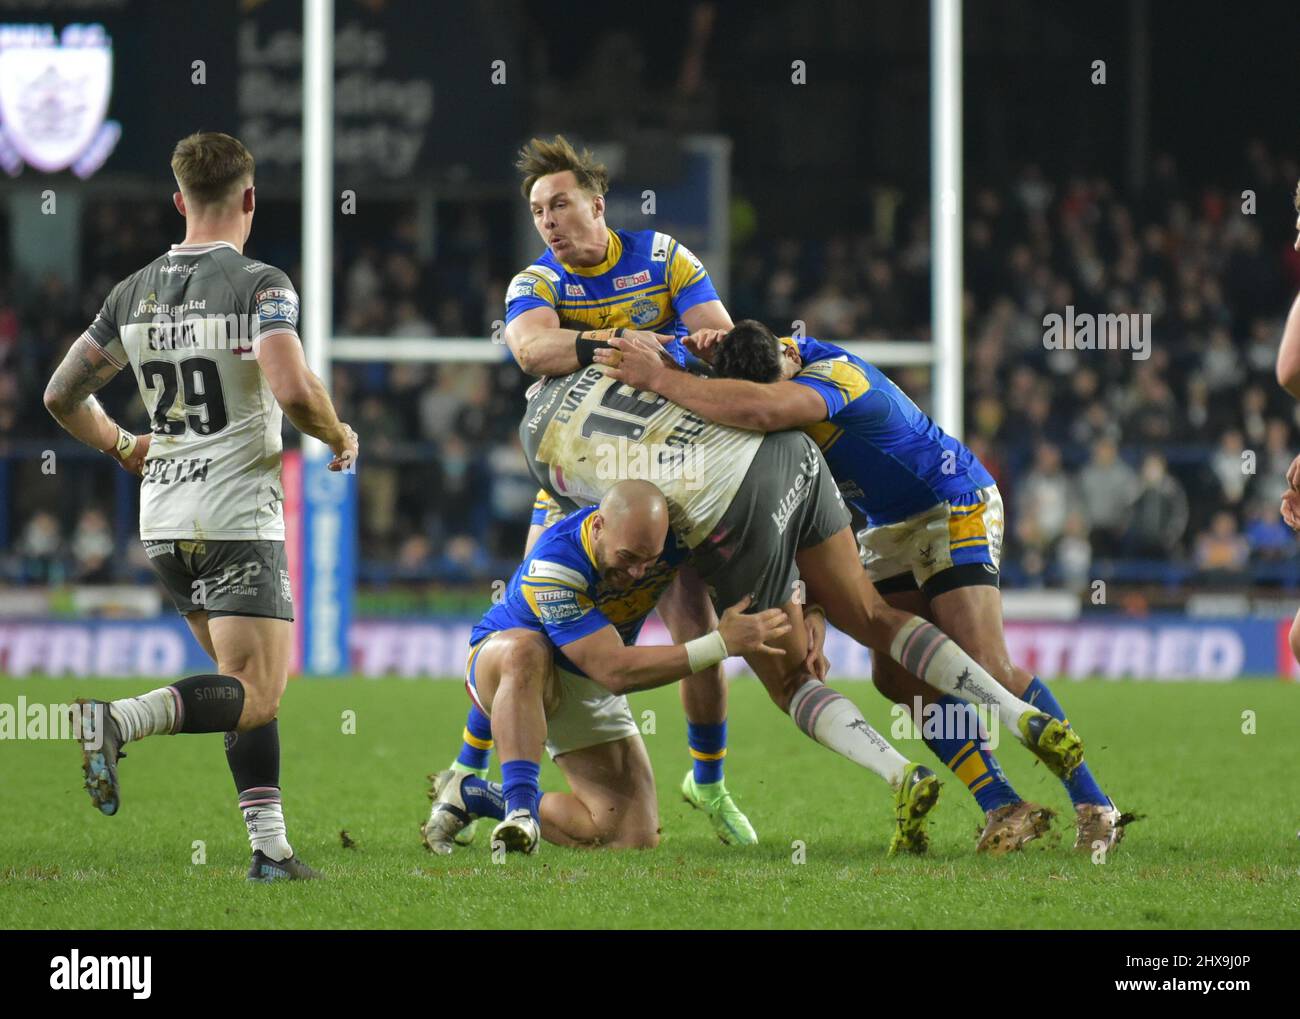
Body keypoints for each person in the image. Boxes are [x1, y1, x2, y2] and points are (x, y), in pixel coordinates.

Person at [513, 345, 1085, 855]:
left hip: (741, 500)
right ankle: (1015, 719)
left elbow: (601, 561)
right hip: (793, 456)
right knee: (876, 619)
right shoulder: (647, 352)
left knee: (791, 682)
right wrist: (808, 602)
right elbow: (741, 387)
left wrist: (721, 636)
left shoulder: (547, 445)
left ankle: (899, 773)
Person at [43, 132, 358, 882]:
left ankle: (272, 850)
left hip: (163, 521)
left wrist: (123, 444)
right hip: (235, 515)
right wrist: (338, 432)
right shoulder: (261, 284)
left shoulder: (132, 292)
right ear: (250, 198)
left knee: (238, 688)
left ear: (178, 201)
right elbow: (290, 386)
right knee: (256, 690)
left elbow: (60, 395)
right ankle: (117, 720)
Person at [441, 134, 756, 847]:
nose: (548, 221)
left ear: (596, 204)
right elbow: (529, 350)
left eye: (559, 204)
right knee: (525, 636)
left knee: (698, 632)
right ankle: (470, 768)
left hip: (662, 487)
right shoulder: (537, 281)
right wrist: (614, 344)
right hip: (575, 489)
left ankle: (708, 781)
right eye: (536, 210)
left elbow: (719, 336)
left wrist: (667, 352)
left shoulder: (663, 257)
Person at [423, 481, 789, 855]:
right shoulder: (555, 564)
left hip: (585, 673)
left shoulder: (677, 534)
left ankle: (473, 794)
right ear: (598, 526)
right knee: (526, 651)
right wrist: (720, 643)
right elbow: (616, 672)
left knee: (630, 835)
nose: (637, 573)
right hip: (508, 660)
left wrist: (813, 611)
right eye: (628, 557)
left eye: (649, 561)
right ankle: (519, 810)